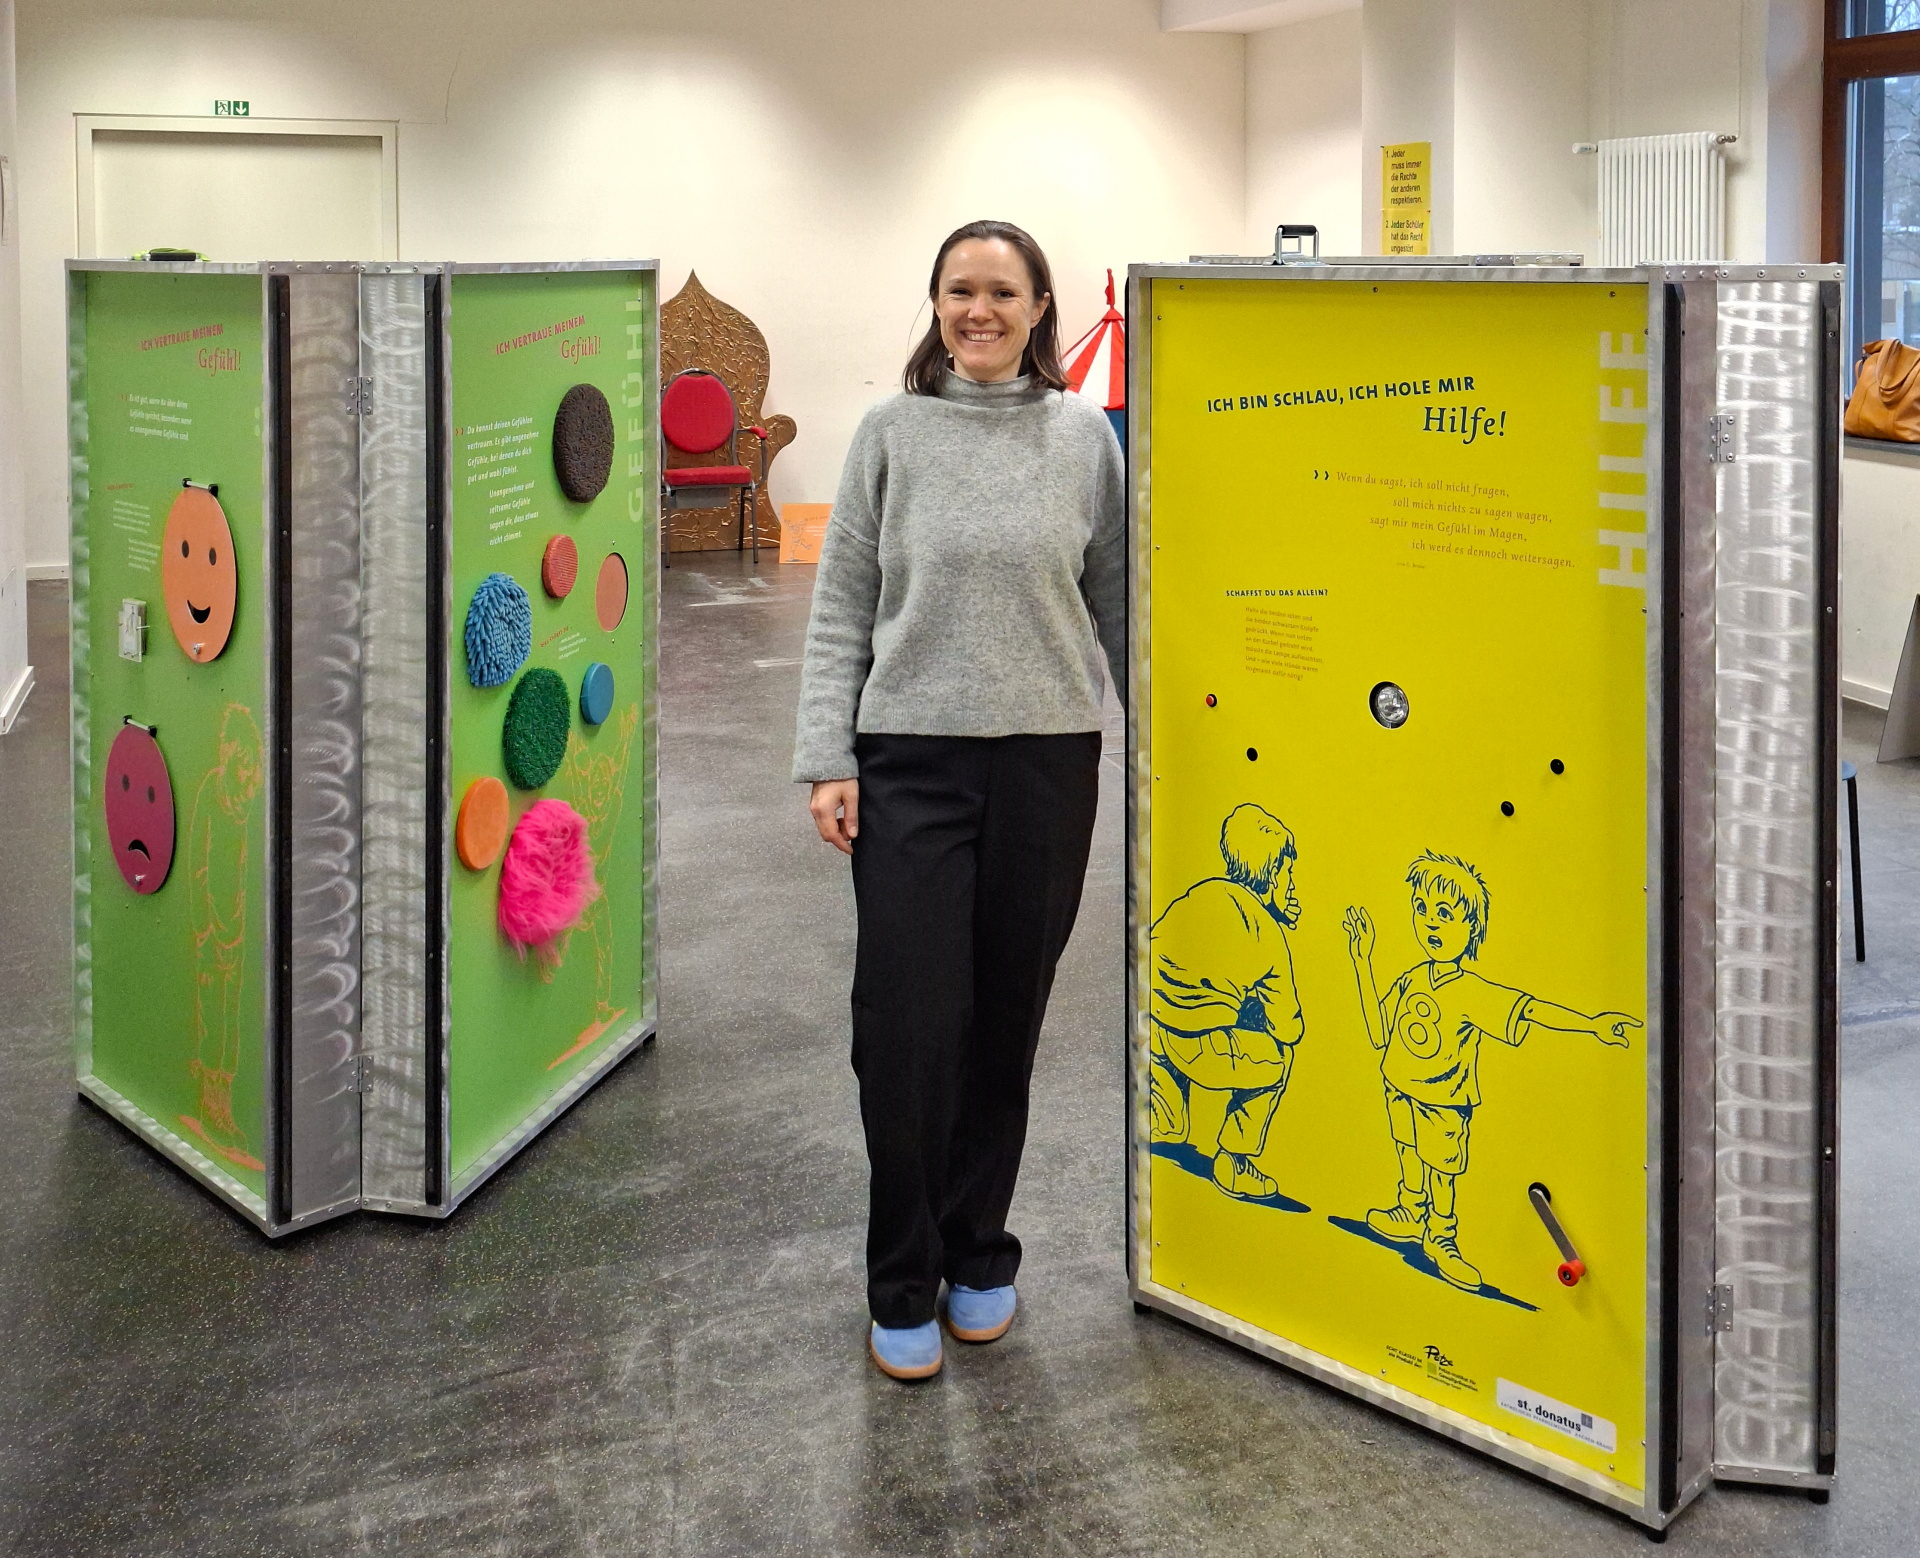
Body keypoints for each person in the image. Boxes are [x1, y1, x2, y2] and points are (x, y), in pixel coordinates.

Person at [793, 219, 1125, 1381]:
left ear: (1042, 309)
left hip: (1047, 762)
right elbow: (841, 599)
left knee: (1003, 1024)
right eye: (958, 290)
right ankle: (901, 1274)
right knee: (907, 1029)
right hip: (909, 763)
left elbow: (1116, 599)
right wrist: (827, 755)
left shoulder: (1086, 436)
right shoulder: (891, 432)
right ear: (934, 304)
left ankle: (980, 1252)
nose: (979, 310)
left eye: (1002, 292)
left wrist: (1160, 759)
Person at [1341, 852, 1639, 1292]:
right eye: (1422, 909)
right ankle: (1411, 1209)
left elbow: (1531, 1009)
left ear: (1472, 930)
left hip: (1442, 1102)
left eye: (1445, 913)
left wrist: (1592, 1024)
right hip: (1398, 1086)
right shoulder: (1411, 978)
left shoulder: (1472, 991)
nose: (1431, 923)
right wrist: (1362, 960)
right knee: (1406, 1149)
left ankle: (1441, 1235)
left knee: (1439, 1167)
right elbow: (1378, 1032)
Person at [1147, 804, 1304, 1201]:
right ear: (1271, 875)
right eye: (1288, 873)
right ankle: (1235, 1160)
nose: (1293, 885)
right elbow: (1288, 1025)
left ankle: (1165, 1115)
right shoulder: (1267, 932)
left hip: (1152, 1024)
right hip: (1200, 1045)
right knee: (1277, 1060)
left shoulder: (1202, 892)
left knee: (1197, 1014)